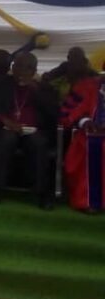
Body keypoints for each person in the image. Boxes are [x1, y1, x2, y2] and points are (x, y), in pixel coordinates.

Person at [0, 53, 58, 209]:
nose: (22, 71)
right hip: (6, 127)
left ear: (34, 70)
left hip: (34, 129)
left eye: (28, 68)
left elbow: (53, 113)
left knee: (39, 144)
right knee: (6, 140)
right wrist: (5, 121)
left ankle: (42, 193)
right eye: (18, 66)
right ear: (12, 68)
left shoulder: (45, 88)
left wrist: (36, 91)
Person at [59, 68, 105, 213]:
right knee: (93, 145)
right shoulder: (85, 86)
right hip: (90, 134)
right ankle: (90, 201)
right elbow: (66, 112)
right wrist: (84, 121)